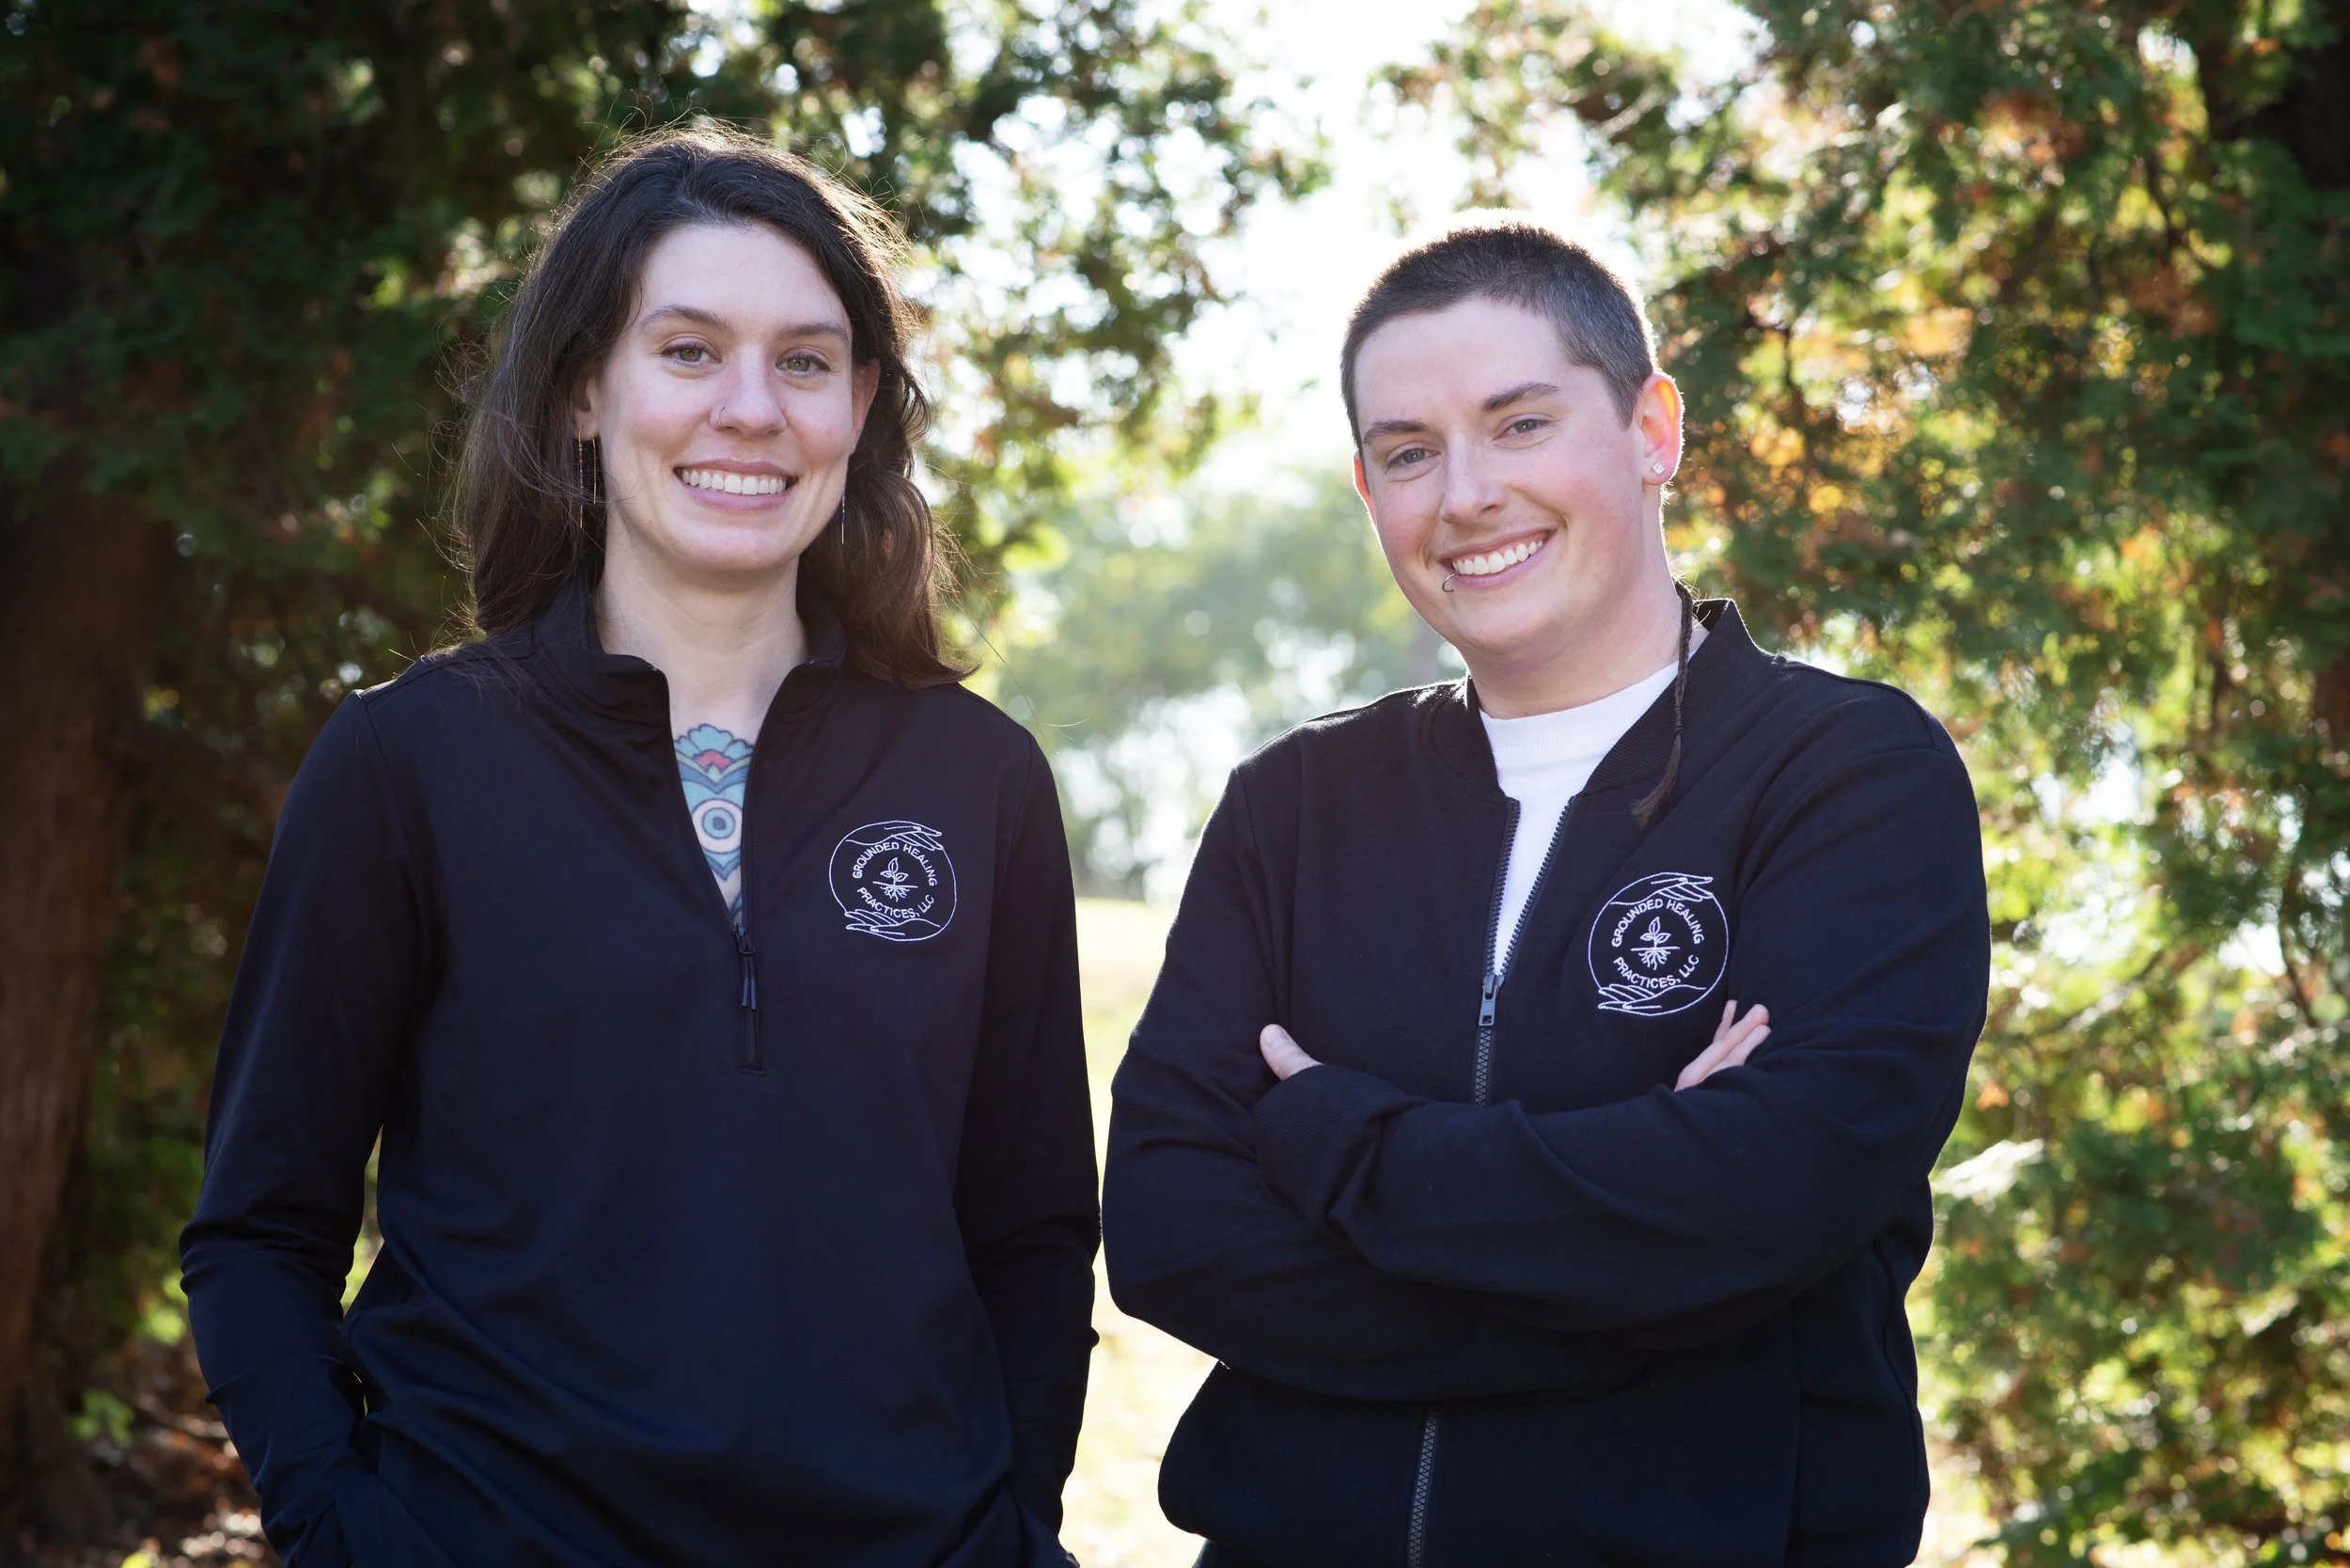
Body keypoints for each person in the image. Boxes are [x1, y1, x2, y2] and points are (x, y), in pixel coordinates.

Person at [180, 127, 1097, 1568]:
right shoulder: (409, 762)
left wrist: (1011, 1527)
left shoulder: (979, 780)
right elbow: (257, 1231)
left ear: (860, 406)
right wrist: (347, 1532)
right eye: (688, 351)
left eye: (805, 362)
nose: (751, 409)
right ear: (580, 392)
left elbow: (1032, 1237)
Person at [1103, 219, 1989, 1566]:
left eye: (1521, 424)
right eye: (1411, 452)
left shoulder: (1848, 774)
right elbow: (1171, 1232)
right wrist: (1643, 1294)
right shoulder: (1296, 804)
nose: (1466, 494)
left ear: (1652, 430)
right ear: (1367, 490)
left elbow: (1775, 1193)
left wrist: (1339, 1140)